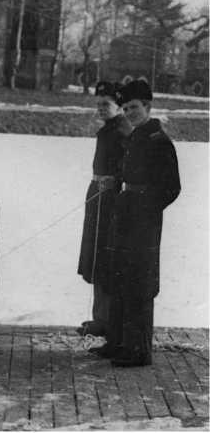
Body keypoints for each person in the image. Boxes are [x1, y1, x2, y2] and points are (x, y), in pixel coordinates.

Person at [103, 79, 181, 366]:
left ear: (148, 106)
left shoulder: (159, 141)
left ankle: (138, 350)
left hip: (144, 223)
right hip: (126, 215)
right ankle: (118, 342)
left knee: (140, 283)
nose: (130, 112)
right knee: (120, 277)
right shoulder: (136, 136)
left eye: (134, 107)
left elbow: (171, 187)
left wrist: (144, 208)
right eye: (125, 108)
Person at [77, 81, 132, 339]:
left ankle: (109, 319)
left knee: (106, 259)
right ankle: (101, 317)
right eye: (98, 104)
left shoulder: (122, 130)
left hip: (110, 200)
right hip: (98, 195)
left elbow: (130, 166)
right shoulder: (109, 129)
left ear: (119, 106)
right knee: (96, 258)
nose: (100, 109)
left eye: (105, 104)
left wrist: (115, 180)